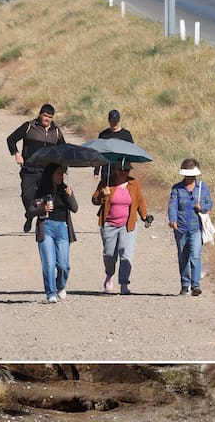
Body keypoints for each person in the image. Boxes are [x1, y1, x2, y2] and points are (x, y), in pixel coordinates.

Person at [91, 159, 150, 294]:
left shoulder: (133, 183)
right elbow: (94, 200)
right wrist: (102, 193)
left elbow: (140, 201)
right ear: (115, 170)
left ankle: (124, 283)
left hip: (127, 224)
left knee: (126, 253)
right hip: (109, 224)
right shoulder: (107, 182)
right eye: (121, 170)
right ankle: (109, 274)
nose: (124, 173)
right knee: (109, 254)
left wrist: (144, 216)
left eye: (127, 170)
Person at [8, 104, 66, 232]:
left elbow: (63, 151)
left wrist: (63, 170)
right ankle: (30, 216)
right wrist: (16, 154)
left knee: (46, 199)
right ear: (40, 114)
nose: (47, 119)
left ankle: (43, 226)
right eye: (45, 116)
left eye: (50, 117)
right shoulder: (29, 126)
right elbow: (11, 139)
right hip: (30, 169)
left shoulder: (56, 131)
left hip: (48, 171)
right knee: (27, 196)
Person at [29, 164, 78, 303]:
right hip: (46, 227)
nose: (61, 176)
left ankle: (60, 285)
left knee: (64, 265)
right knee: (49, 264)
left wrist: (70, 195)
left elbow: (75, 208)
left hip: (63, 228)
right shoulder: (41, 191)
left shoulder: (65, 190)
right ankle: (50, 293)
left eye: (63, 173)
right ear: (50, 175)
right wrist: (42, 209)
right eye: (58, 173)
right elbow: (30, 211)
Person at [169, 157, 214, 296]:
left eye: (192, 175)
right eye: (188, 175)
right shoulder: (176, 188)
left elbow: (209, 204)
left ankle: (195, 285)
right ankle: (184, 284)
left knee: (195, 256)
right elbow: (172, 205)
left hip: (196, 228)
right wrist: (172, 220)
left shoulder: (202, 188)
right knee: (183, 256)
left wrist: (202, 207)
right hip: (180, 228)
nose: (190, 178)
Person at [94, 108, 133, 175]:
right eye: (112, 121)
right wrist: (96, 171)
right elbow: (99, 153)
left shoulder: (126, 135)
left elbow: (131, 152)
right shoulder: (103, 135)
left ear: (118, 120)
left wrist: (127, 169)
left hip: (121, 169)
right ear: (108, 120)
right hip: (106, 169)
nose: (113, 123)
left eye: (115, 121)